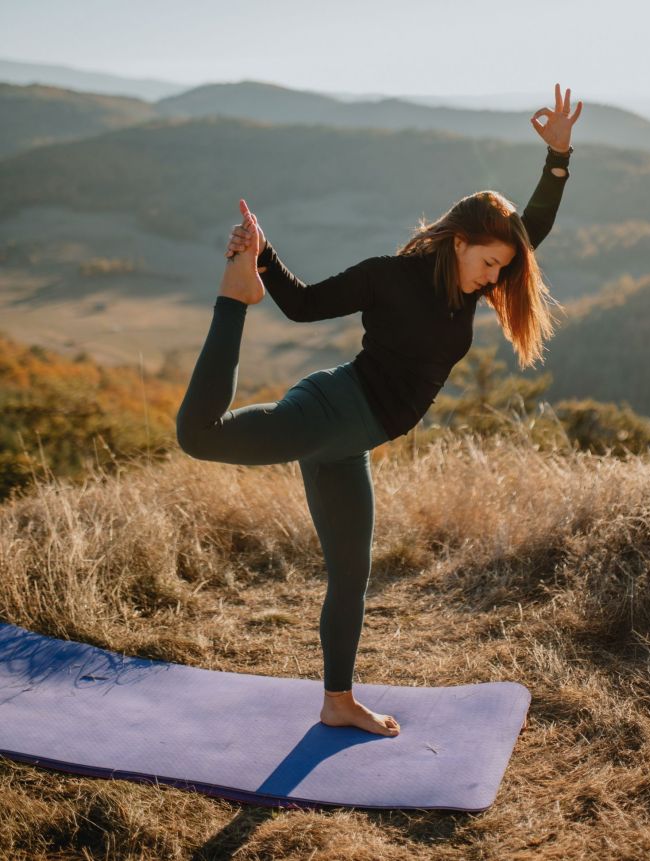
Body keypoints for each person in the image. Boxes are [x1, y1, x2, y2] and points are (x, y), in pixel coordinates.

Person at [176, 83, 583, 738]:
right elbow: (305, 306)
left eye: (501, 266)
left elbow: (531, 230)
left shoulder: (473, 279)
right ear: (459, 242)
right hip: (331, 411)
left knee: (350, 574)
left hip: (348, 438)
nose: (494, 276)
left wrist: (558, 158)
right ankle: (233, 296)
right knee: (199, 436)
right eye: (488, 261)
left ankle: (338, 699)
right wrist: (264, 258)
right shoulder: (390, 277)